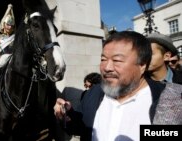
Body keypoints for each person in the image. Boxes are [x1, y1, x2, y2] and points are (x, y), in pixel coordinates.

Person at [53, 31, 182, 141]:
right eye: (103, 59)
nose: (107, 67)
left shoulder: (172, 99)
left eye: (117, 60)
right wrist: (67, 115)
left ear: (142, 65)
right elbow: (81, 127)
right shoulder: (93, 93)